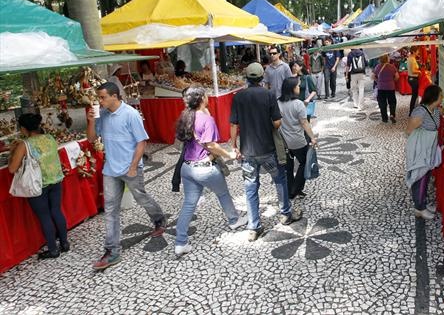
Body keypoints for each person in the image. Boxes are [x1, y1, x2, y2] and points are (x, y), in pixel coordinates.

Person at [86, 82, 166, 270]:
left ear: (114, 96)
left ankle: (159, 219)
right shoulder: (102, 115)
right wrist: (91, 121)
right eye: (99, 98)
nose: (100, 101)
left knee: (142, 198)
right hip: (110, 170)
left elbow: (141, 142)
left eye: (103, 97)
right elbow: (91, 139)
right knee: (111, 209)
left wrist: (132, 167)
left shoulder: (130, 114)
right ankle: (112, 250)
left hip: (130, 168)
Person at [230, 63, 301, 242]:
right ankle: (285, 213)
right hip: (268, 149)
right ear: (262, 77)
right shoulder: (269, 95)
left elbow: (233, 124)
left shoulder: (238, 97)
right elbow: (277, 123)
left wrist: (234, 146)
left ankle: (254, 227)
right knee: (280, 179)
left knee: (251, 187)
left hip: (247, 151)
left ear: (247, 77)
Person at [173, 86, 247, 256]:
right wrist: (228, 154)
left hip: (187, 167)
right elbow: (210, 145)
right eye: (206, 95)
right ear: (201, 99)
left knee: (189, 204)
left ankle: (180, 242)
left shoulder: (185, 116)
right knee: (223, 193)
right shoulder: (206, 120)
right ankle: (234, 220)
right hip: (204, 168)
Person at [8, 113, 69, 259]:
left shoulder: (25, 144)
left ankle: (53, 250)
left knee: (44, 216)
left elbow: (12, 168)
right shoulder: (50, 138)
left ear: (23, 129)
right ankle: (65, 244)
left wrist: (13, 151)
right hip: (56, 180)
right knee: (56, 211)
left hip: (38, 185)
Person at [405, 85, 444, 219]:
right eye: (440, 96)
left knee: (426, 175)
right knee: (419, 176)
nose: (442, 98)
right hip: (420, 149)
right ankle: (419, 208)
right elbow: (409, 131)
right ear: (434, 97)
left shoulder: (435, 110)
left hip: (429, 148)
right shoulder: (420, 112)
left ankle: (423, 203)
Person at [278, 77, 318, 200]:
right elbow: (304, 123)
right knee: (304, 162)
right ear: (291, 89)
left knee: (288, 168)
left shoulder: (278, 102)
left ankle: (290, 190)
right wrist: (312, 137)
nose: (299, 88)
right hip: (298, 140)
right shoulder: (298, 104)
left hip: (284, 141)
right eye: (297, 86)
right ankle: (296, 189)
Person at [373, 54, 399, 123]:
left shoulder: (377, 67)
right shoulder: (392, 67)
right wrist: (393, 81)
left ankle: (384, 118)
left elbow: (373, 76)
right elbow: (397, 77)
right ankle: (392, 115)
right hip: (390, 87)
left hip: (381, 87)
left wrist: (378, 81)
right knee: (392, 102)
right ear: (387, 59)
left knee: (382, 103)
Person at [407, 47, 421, 113]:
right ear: (414, 51)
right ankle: (411, 111)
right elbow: (413, 71)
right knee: (414, 96)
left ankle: (413, 110)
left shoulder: (410, 58)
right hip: (413, 79)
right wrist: (419, 72)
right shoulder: (412, 59)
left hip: (411, 78)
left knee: (414, 95)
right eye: (417, 51)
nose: (418, 52)